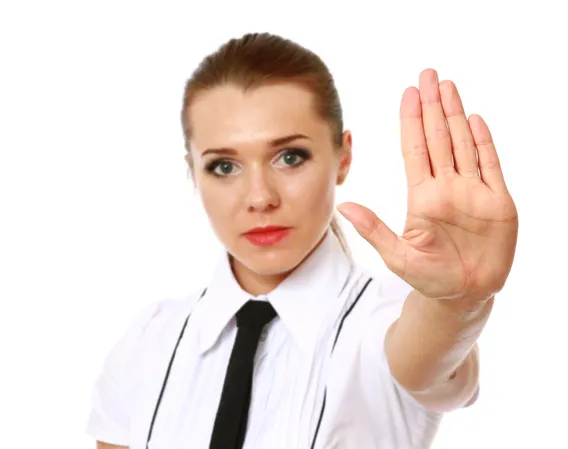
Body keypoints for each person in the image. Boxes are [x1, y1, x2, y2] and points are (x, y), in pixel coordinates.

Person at [86, 32, 518, 449]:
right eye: (223, 166)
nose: (259, 198)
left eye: (290, 157)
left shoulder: (381, 323)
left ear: (343, 158)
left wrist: (455, 303)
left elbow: (426, 359)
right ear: (192, 171)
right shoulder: (149, 341)